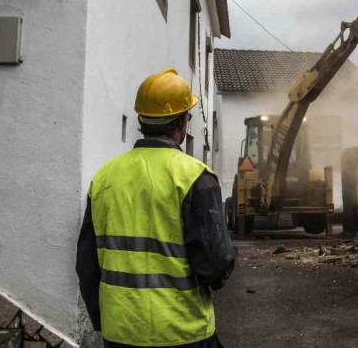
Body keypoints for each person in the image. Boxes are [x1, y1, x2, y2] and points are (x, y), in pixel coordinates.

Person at [76, 68, 237, 348]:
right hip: (181, 330)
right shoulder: (195, 178)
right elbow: (215, 263)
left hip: (120, 331)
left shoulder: (104, 177)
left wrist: (104, 320)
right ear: (183, 123)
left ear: (141, 120)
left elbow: (87, 266)